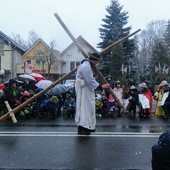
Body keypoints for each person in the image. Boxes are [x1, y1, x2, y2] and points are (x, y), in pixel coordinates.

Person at [75, 52, 110, 135]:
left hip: (87, 89)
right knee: (85, 108)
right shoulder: (85, 67)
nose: (97, 63)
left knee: (87, 107)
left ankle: (86, 126)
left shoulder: (87, 66)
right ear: (94, 60)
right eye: (97, 61)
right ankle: (84, 127)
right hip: (84, 90)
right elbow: (89, 80)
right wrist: (101, 86)